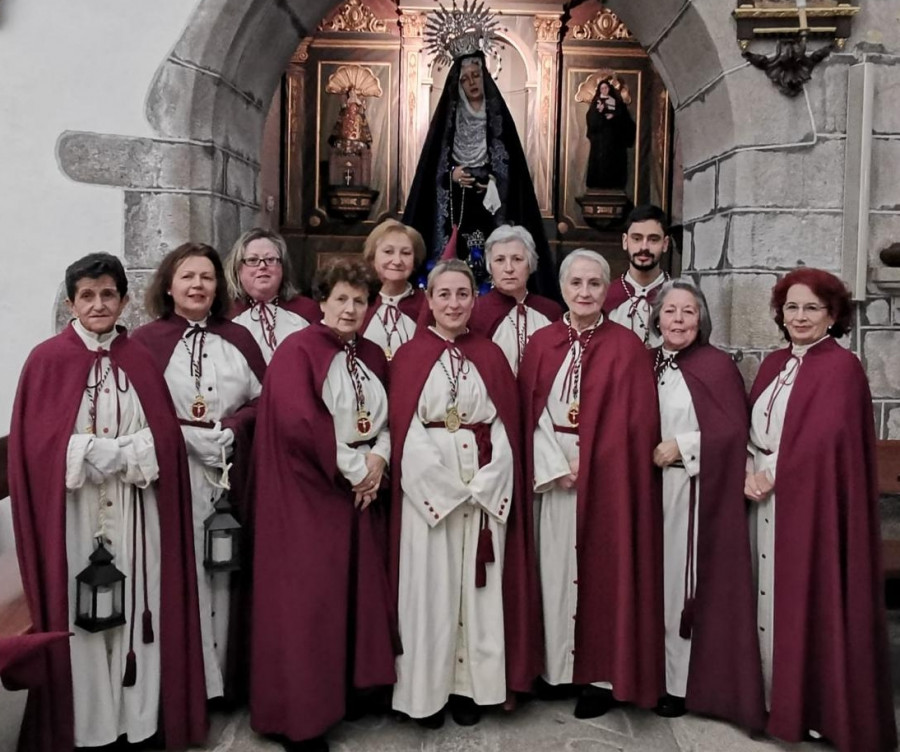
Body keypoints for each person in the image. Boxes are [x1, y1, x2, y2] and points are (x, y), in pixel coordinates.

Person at [8, 253, 207, 751]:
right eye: (87, 296)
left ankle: (137, 723)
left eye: (108, 294)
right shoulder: (46, 360)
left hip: (137, 508)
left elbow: (163, 437)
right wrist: (94, 452)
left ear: (122, 300)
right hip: (75, 515)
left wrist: (126, 454)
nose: (98, 304)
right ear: (72, 303)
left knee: (142, 610)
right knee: (81, 619)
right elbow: (37, 447)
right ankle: (89, 727)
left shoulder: (138, 357)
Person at [745, 268, 896, 752]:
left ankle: (807, 707)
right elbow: (752, 432)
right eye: (792, 307)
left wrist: (776, 472)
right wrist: (750, 469)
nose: (800, 316)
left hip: (812, 509)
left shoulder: (842, 368)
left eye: (812, 308)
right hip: (761, 501)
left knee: (807, 600)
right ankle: (769, 697)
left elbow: (828, 444)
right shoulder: (771, 364)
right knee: (763, 599)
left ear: (833, 315)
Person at [250, 259, 397, 752]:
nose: (351, 308)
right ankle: (302, 713)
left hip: (359, 494)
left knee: (355, 596)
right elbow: (299, 423)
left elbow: (390, 414)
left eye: (360, 300)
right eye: (341, 299)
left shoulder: (373, 354)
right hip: (310, 497)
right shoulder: (298, 351)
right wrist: (357, 471)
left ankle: (352, 692)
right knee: (310, 604)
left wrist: (378, 459)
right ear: (323, 302)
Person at [388, 259, 542, 728]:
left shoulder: (491, 356)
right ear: (429, 299)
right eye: (444, 294)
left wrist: (485, 486)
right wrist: (444, 489)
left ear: (474, 300)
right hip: (428, 495)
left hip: (482, 489)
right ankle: (424, 694)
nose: (453, 303)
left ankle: (471, 689)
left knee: (479, 593)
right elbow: (404, 432)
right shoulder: (409, 357)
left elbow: (506, 426)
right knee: (429, 593)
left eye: (462, 294)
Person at [519, 249, 663, 718]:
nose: (584, 292)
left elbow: (637, 422)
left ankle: (598, 677)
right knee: (554, 571)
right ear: (562, 288)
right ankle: (557, 670)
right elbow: (529, 414)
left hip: (608, 482)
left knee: (603, 573)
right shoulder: (541, 343)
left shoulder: (626, 347)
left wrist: (595, 464)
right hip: (553, 476)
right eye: (576, 283)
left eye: (594, 284)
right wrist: (555, 463)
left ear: (607, 289)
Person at [133, 243, 266, 704]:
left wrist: (233, 428)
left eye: (206, 278)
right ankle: (188, 682)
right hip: (174, 474)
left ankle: (226, 682)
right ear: (168, 285)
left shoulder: (240, 339)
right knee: (181, 569)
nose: (197, 286)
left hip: (231, 470)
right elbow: (138, 410)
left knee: (227, 571)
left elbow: (264, 401)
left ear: (219, 286)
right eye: (187, 277)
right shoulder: (145, 343)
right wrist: (183, 438)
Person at [647, 279, 764, 728]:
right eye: (670, 311)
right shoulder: (648, 361)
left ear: (702, 320)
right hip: (648, 492)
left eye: (688, 312)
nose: (678, 320)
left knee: (681, 586)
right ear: (657, 317)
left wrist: (684, 446)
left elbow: (735, 430)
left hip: (692, 492)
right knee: (651, 584)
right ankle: (649, 673)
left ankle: (679, 684)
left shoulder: (715, 365)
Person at [402, 50, 556, 297]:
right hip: (455, 206)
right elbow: (433, 168)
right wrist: (451, 175)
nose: (472, 83)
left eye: (476, 76)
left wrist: (493, 180)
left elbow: (511, 168)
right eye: (465, 79)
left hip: (489, 207)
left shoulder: (498, 118)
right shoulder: (449, 119)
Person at [469, 225, 562, 374]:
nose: (509, 268)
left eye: (517, 259)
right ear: (490, 266)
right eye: (500, 260)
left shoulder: (550, 311)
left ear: (530, 264)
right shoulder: (477, 312)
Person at [224, 228, 320, 363]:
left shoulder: (307, 311)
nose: (262, 266)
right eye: (252, 260)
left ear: (282, 267)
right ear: (238, 269)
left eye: (270, 259)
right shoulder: (225, 313)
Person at [359, 219, 428, 359]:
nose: (397, 261)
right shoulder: (358, 301)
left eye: (406, 253)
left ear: (414, 261)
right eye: (388, 251)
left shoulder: (427, 305)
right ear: (372, 257)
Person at [604, 204, 670, 347]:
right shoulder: (606, 297)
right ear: (625, 241)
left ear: (665, 244)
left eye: (653, 239)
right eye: (637, 238)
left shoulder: (678, 297)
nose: (644, 247)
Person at [585, 79, 635, 192]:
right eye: (602, 88)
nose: (604, 90)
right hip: (600, 142)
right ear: (599, 90)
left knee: (614, 163)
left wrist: (614, 117)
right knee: (600, 163)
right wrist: (600, 113)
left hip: (614, 140)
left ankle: (614, 184)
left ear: (610, 89)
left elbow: (626, 120)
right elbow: (591, 121)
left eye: (606, 88)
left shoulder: (617, 103)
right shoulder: (596, 103)